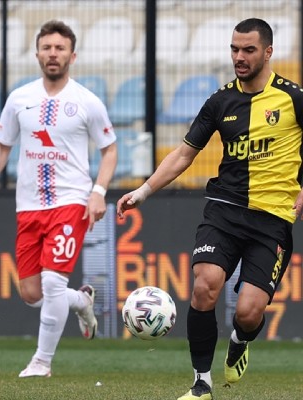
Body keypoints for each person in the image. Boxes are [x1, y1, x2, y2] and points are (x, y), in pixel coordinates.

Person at [116, 18, 303, 400]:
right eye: (234, 49)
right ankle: (201, 383)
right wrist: (144, 191)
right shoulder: (219, 101)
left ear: (268, 52)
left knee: (248, 312)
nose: (239, 57)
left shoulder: (293, 98)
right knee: (205, 286)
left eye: (248, 50)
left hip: (273, 220)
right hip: (224, 210)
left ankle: (240, 340)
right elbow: (184, 154)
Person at [0, 20, 116, 378]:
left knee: (53, 283)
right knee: (31, 292)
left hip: (71, 201)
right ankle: (81, 300)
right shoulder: (19, 99)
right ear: (37, 53)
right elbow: (2, 145)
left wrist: (98, 192)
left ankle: (42, 362)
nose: (53, 54)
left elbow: (110, 149)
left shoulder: (87, 101)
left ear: (72, 55)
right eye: (47, 48)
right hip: (29, 205)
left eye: (60, 48)